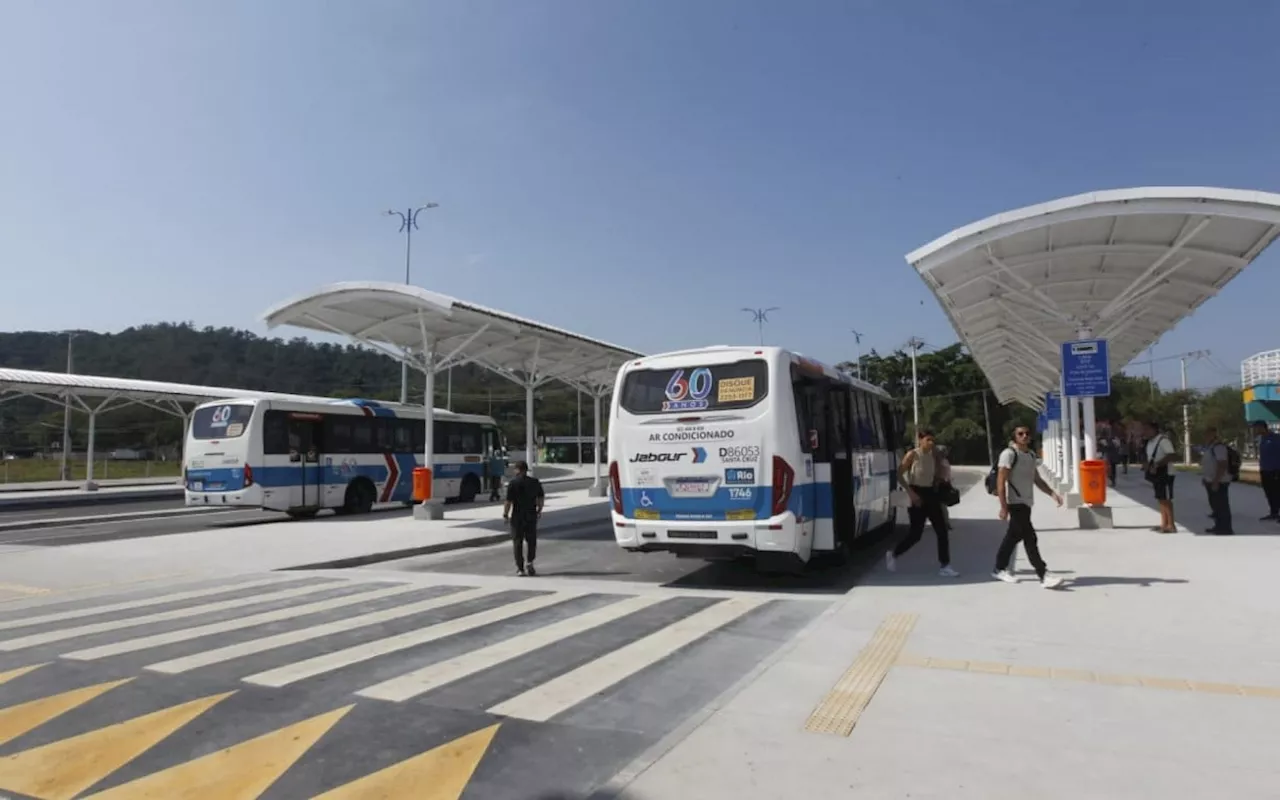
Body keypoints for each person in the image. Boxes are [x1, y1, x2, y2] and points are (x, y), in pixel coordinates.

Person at [992, 425, 1065, 589]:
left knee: (1013, 537)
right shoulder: (1009, 454)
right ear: (1014, 436)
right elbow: (1000, 481)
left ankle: (999, 568)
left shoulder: (1031, 455)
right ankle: (1043, 574)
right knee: (1030, 538)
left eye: (1027, 433)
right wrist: (1003, 507)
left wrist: (1052, 494)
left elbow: (1037, 479)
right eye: (1020, 434)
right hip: (1015, 503)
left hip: (1027, 502)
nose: (1024, 436)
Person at [886, 429, 958, 577]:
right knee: (915, 534)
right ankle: (893, 554)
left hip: (931, 493)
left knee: (942, 530)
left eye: (933, 440)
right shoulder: (913, 454)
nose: (931, 443)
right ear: (920, 440)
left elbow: (938, 473)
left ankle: (945, 565)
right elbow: (899, 474)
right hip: (916, 493)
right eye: (928, 440)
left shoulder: (935, 455)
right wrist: (910, 493)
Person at [503, 460, 544, 576]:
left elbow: (508, 502)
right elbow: (540, 498)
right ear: (526, 470)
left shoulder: (513, 483)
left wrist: (505, 515)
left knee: (517, 542)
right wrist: (539, 510)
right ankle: (530, 562)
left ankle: (520, 568)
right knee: (531, 541)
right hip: (531, 515)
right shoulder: (535, 482)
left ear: (517, 470)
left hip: (517, 516)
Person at [1143, 421, 1177, 534]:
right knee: (1160, 498)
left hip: (1166, 473)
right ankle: (1164, 523)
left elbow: (1171, 455)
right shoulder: (1150, 442)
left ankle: (1171, 525)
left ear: (1154, 430)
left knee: (1166, 499)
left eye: (1147, 429)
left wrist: (1157, 464)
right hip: (1156, 474)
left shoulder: (1163, 440)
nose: (1145, 432)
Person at [1200, 427, 1234, 535]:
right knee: (1215, 505)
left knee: (1221, 505)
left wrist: (1216, 481)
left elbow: (1222, 464)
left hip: (1219, 481)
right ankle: (1218, 525)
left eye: (1208, 434)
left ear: (1214, 435)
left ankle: (1225, 528)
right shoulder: (1210, 447)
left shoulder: (1218, 447)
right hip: (1210, 480)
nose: (1206, 436)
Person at [1254, 421, 1280, 523]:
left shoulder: (1276, 438)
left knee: (1277, 492)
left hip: (1276, 470)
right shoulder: (1261, 439)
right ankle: (1274, 512)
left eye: (1257, 428)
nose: (1255, 430)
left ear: (1263, 427)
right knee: (1269, 492)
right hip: (1265, 470)